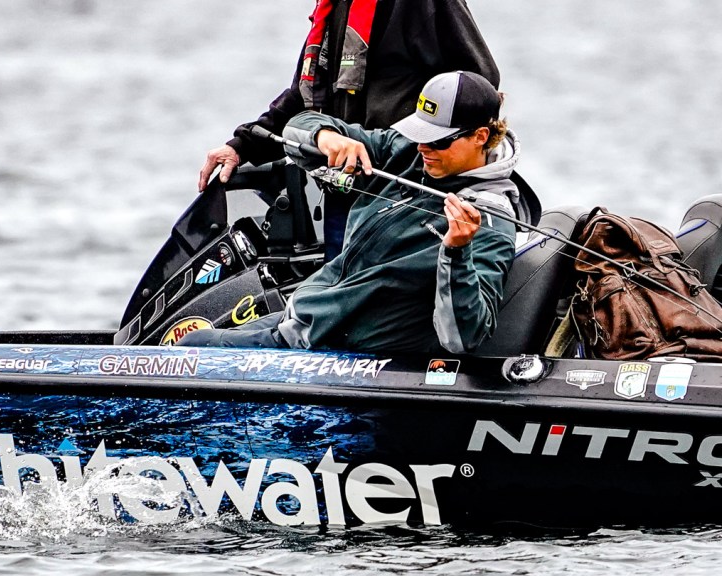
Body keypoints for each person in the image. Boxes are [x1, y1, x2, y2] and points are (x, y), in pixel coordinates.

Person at [179, 70, 529, 355]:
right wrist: (325, 137)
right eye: (420, 132)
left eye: (438, 140)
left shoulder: (491, 223)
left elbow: (464, 338)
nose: (423, 147)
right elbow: (298, 124)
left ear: (480, 136)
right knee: (179, 340)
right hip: (310, 318)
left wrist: (456, 252)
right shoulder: (408, 153)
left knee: (190, 348)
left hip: (336, 349)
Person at [198, 0, 501, 262]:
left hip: (403, 202)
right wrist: (242, 145)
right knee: (332, 295)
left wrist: (410, 153)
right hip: (345, 192)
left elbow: (478, 86)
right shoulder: (336, 4)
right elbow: (305, 94)